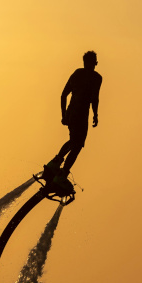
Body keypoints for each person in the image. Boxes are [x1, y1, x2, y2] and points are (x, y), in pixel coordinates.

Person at [44, 51, 103, 190]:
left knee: (74, 142)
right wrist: (95, 115)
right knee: (77, 145)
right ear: (94, 63)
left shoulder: (77, 73)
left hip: (72, 114)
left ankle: (56, 163)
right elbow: (95, 98)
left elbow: (64, 95)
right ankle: (61, 174)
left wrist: (64, 114)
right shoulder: (96, 78)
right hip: (80, 115)